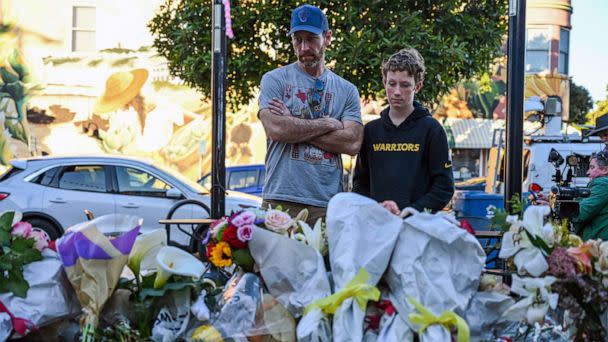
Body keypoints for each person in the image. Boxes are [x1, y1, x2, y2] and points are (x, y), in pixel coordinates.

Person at [258, 4, 363, 224]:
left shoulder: (347, 90)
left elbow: (352, 143)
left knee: (323, 260)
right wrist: (328, 123)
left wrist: (292, 124)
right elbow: (276, 129)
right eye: (298, 39)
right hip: (280, 199)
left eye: (311, 39)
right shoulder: (275, 80)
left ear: (327, 38)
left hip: (326, 203)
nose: (304, 47)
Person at [352, 48, 454, 214]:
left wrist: (409, 212)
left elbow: (444, 188)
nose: (397, 91)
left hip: (417, 226)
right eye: (392, 84)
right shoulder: (371, 131)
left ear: (417, 86)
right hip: (378, 224)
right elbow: (360, 185)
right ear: (384, 82)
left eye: (405, 85)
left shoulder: (432, 130)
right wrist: (376, 210)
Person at [572, 150, 608, 240]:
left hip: (599, 241)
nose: (588, 172)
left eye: (592, 167)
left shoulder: (603, 184)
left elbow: (581, 213)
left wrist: (555, 207)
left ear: (605, 170)